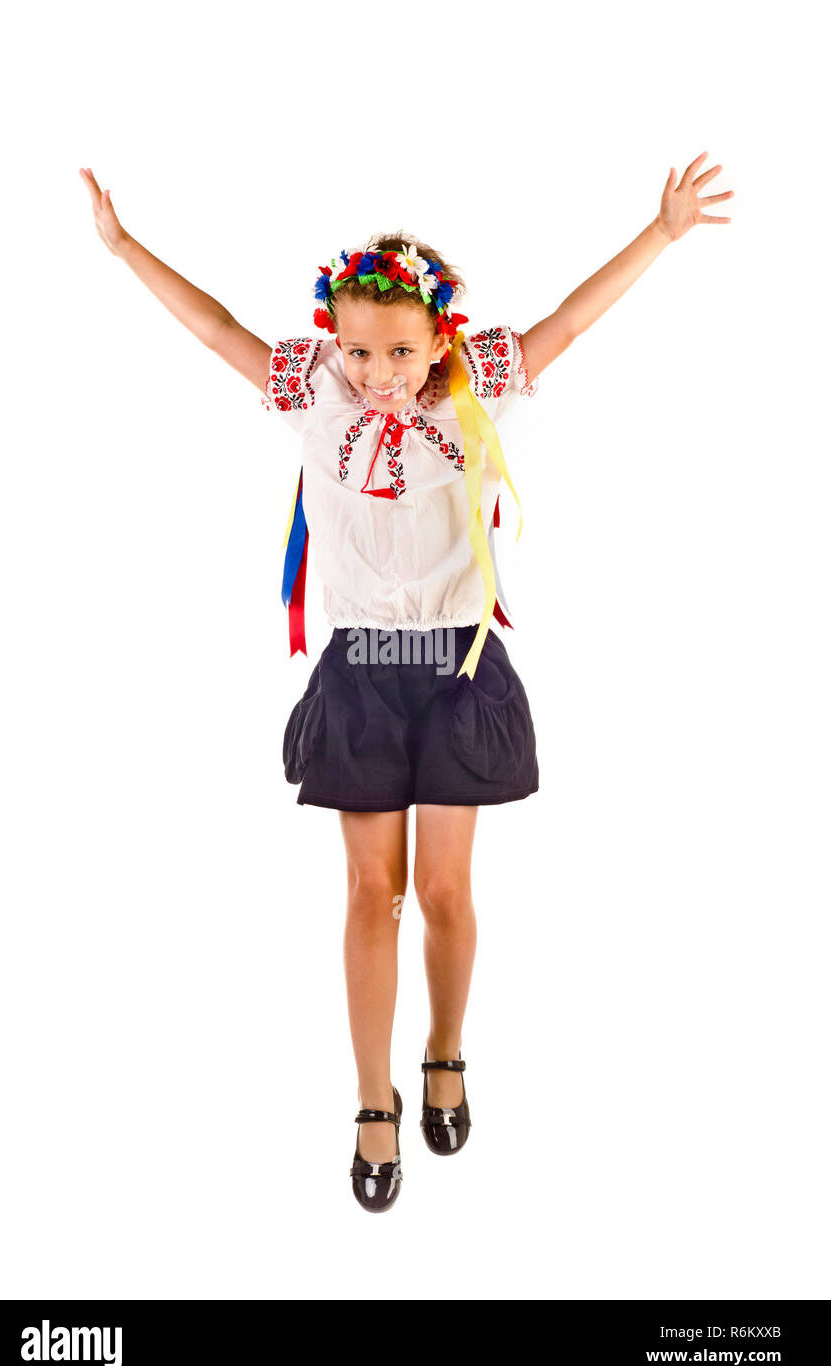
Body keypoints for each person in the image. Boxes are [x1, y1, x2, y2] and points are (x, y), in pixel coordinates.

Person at [79, 156, 734, 1214]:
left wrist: (657, 233)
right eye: (357, 347)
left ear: (434, 336)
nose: (377, 370)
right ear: (332, 338)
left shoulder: (470, 383)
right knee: (366, 893)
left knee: (440, 891)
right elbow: (213, 329)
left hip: (455, 669)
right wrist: (122, 248)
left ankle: (443, 1051)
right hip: (361, 674)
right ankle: (371, 1098)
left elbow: (567, 320)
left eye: (396, 348)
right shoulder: (311, 393)